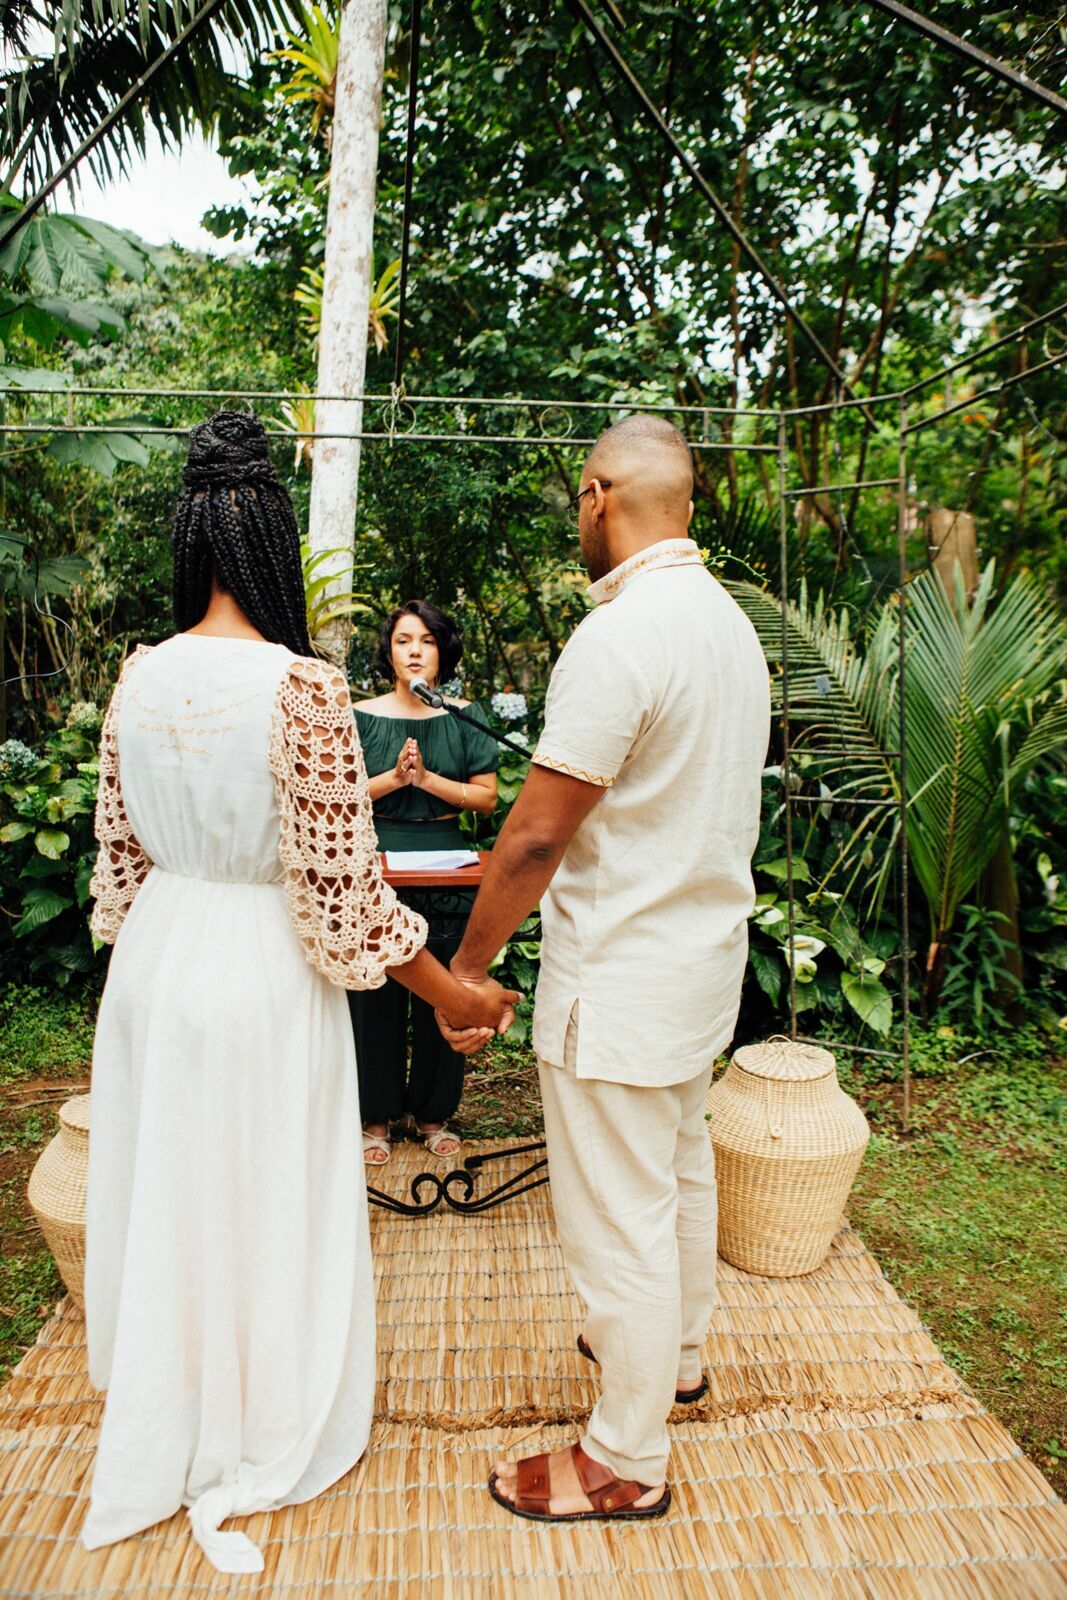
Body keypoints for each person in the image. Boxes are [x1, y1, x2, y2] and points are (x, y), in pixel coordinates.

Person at [80, 411, 517, 1573]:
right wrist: (453, 993)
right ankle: (260, 1411)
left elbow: (118, 867)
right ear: (273, 535)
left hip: (158, 964)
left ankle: (177, 1393)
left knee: (177, 1183)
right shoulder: (304, 691)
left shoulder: (138, 681)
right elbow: (346, 901)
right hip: (259, 970)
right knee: (263, 1186)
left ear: (187, 539)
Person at [440, 414, 770, 1523]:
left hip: (621, 978)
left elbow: (534, 834)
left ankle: (624, 1459)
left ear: (596, 494)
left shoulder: (620, 636)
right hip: (695, 968)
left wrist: (468, 968)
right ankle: (673, 1357)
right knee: (676, 1173)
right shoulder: (727, 626)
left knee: (615, 1219)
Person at [351, 601, 500, 1165]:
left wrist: (429, 779)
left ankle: (435, 1112)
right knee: (375, 994)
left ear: (442, 651)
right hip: (376, 863)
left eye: (427, 641)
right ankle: (375, 1117)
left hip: (450, 863)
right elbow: (337, 800)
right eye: (404, 640)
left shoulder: (465, 714)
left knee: (447, 985)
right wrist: (392, 780)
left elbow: (487, 799)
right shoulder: (359, 715)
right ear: (388, 651)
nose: (415, 651)